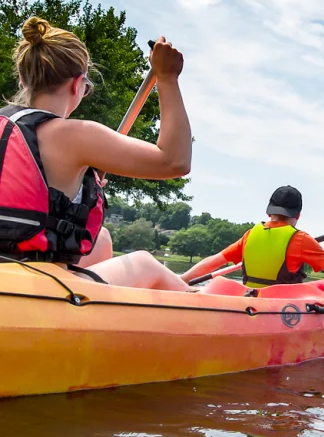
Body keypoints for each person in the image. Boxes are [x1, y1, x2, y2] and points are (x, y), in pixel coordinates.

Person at [0, 16, 192, 290]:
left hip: (10, 271)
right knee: (145, 263)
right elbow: (175, 161)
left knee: (101, 240)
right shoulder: (75, 134)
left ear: (22, 78)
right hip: (30, 285)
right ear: (77, 84)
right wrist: (167, 77)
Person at [183, 185, 324, 288]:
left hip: (251, 303)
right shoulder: (302, 240)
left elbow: (211, 262)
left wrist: (182, 279)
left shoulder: (250, 235)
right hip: (282, 307)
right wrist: (321, 253)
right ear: (298, 215)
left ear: (269, 212)